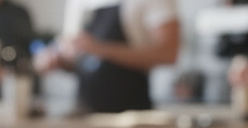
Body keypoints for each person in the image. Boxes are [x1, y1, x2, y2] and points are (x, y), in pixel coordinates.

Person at [34, 0, 180, 113]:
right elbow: (82, 60)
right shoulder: (80, 3)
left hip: (131, 117)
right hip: (85, 114)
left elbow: (168, 54)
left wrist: (99, 48)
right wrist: (58, 62)